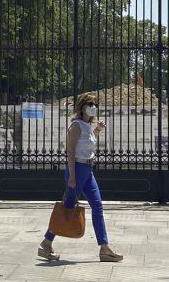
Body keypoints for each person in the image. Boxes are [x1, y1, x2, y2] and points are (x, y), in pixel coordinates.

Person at [38, 93, 123, 262]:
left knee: (97, 205)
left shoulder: (86, 126)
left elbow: (87, 145)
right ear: (82, 107)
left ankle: (104, 248)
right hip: (76, 169)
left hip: (88, 169)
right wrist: (71, 176)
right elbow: (70, 152)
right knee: (67, 207)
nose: (93, 106)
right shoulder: (75, 126)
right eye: (90, 103)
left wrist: (97, 130)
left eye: (95, 104)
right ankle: (46, 242)